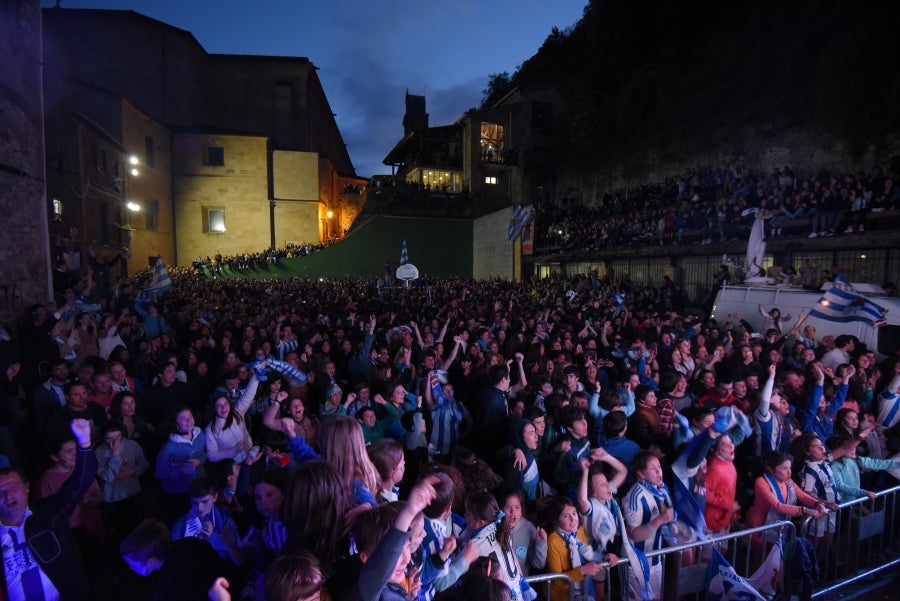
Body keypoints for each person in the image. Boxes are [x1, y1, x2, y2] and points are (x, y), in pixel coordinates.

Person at [0, 419, 97, 601]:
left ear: (27, 487)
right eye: (0, 492)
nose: (8, 495)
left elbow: (80, 482)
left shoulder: (48, 513)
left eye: (14, 487)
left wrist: (84, 443)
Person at [120, 518, 235, 601]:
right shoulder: (190, 542)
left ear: (151, 561)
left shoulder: (165, 590)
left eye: (132, 564)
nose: (131, 567)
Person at [459, 490, 537, 601]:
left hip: (500, 596)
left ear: (480, 522)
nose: (464, 516)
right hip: (516, 593)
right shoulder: (502, 527)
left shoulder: (473, 546)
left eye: (468, 513)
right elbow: (514, 560)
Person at [576, 451, 625, 599]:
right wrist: (585, 472)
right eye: (601, 485)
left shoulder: (607, 496)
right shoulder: (590, 505)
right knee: (598, 596)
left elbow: (623, 471)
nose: (607, 487)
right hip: (592, 557)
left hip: (609, 552)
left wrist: (606, 457)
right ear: (593, 492)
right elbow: (582, 500)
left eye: (607, 482)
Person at [544, 494, 604, 601]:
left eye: (574, 513)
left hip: (583, 590)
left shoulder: (579, 529)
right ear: (556, 520)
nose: (573, 519)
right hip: (562, 596)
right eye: (566, 516)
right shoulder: (553, 540)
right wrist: (583, 570)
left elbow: (587, 554)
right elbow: (557, 579)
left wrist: (604, 558)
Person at [502, 490, 547, 577]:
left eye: (517, 507)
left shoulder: (529, 528)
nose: (512, 512)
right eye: (508, 507)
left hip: (521, 582)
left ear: (522, 511)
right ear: (501, 509)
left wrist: (541, 543)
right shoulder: (494, 528)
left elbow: (539, 564)